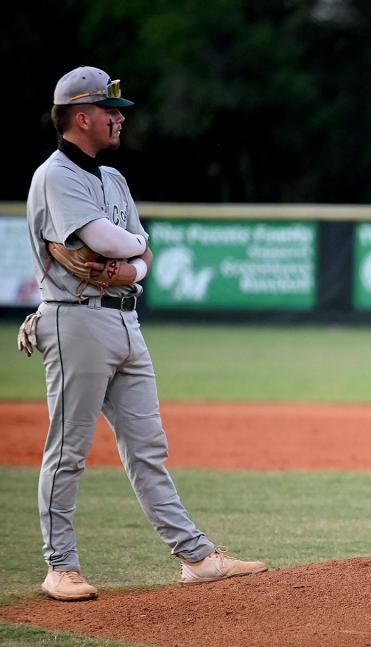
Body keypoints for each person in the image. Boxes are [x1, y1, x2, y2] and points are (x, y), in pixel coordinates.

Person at [21, 66, 267, 601]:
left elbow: (139, 254)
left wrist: (131, 260)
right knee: (69, 448)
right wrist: (130, 247)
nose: (119, 119)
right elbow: (105, 239)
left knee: (147, 447)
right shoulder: (55, 175)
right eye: (111, 111)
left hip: (125, 319)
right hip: (76, 318)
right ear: (80, 116)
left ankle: (195, 557)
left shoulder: (113, 180)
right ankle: (60, 566)